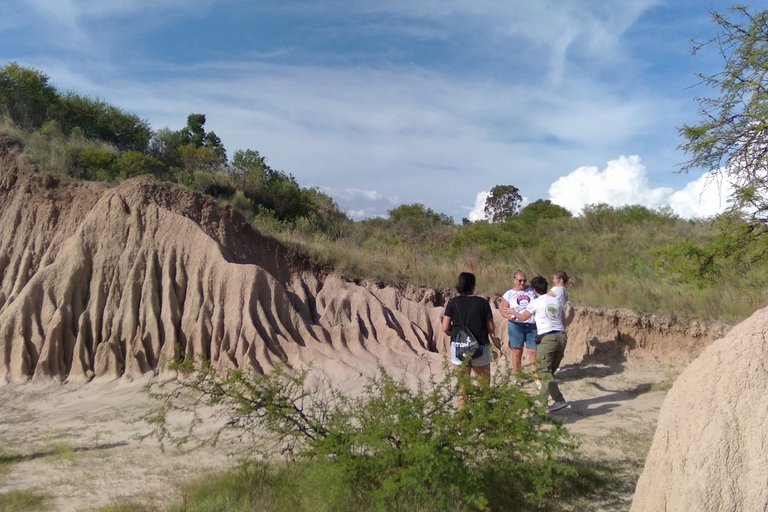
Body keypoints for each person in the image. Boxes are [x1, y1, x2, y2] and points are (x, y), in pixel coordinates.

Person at [508, 275, 568, 413]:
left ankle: (559, 400)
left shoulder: (536, 302)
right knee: (549, 371)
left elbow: (523, 317)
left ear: (534, 289)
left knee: (544, 371)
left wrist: (512, 311)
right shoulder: (557, 301)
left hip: (548, 338)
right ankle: (542, 401)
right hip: (562, 337)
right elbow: (563, 321)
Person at [442, 272, 495, 410]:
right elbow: (491, 328)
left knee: (462, 387)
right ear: (473, 285)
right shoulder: (483, 303)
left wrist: (454, 333)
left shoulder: (453, 302)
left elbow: (445, 327)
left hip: (459, 346)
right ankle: (481, 419)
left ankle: (462, 422)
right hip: (480, 346)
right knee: (483, 386)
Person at [500, 270, 537, 380]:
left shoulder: (532, 290)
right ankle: (518, 377)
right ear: (514, 280)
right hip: (516, 325)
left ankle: (536, 377)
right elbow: (503, 310)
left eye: (524, 280)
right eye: (520, 280)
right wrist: (507, 316)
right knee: (517, 351)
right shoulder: (508, 294)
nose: (522, 283)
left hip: (531, 324)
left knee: (533, 351)